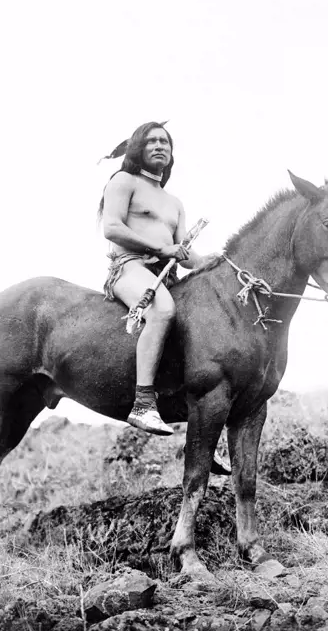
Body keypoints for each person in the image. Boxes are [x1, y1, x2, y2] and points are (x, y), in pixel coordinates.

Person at [99, 122, 205, 435]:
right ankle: (142, 404)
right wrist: (161, 247)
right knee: (162, 309)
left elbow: (186, 255)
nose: (160, 146)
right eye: (152, 141)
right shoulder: (123, 180)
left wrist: (215, 261)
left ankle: (200, 425)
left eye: (165, 142)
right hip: (129, 267)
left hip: (166, 275)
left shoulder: (175, 203)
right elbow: (112, 228)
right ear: (138, 148)